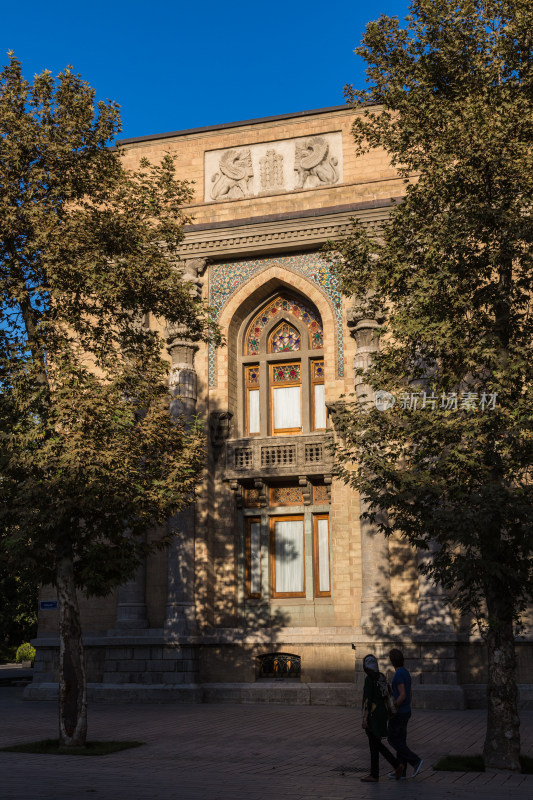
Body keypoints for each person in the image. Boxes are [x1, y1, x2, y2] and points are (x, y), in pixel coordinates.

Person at [360, 653, 404, 783]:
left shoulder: (369, 679)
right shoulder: (381, 677)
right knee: (375, 743)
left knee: (375, 743)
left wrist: (365, 719)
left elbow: (368, 700)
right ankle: (375, 773)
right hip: (382, 713)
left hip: (373, 713)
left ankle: (395, 765)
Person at [387, 648, 423, 779]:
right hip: (406, 710)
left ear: (392, 661)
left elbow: (402, 694)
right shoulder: (406, 673)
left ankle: (415, 760)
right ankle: (401, 771)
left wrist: (393, 706)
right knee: (401, 741)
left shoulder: (399, 674)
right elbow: (410, 693)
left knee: (392, 739)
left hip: (399, 713)